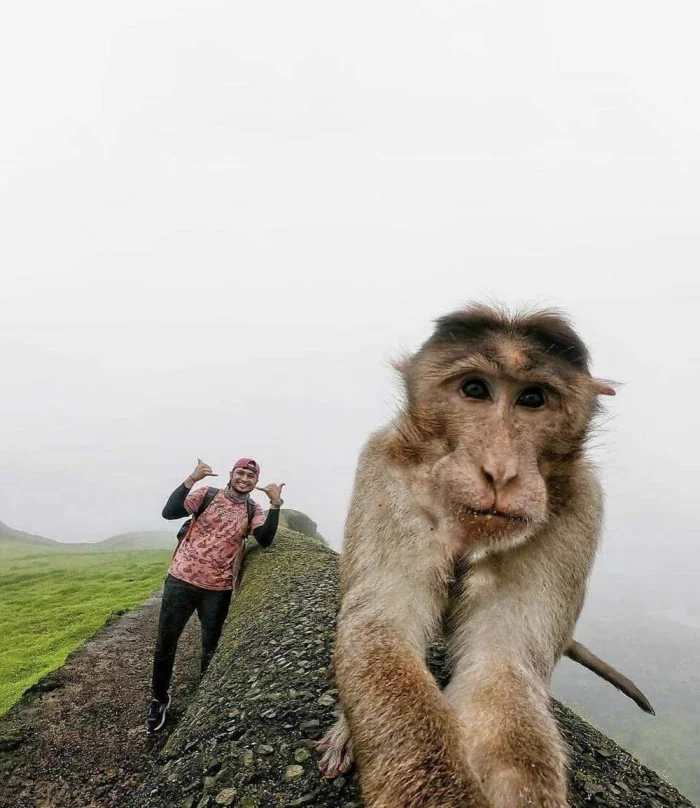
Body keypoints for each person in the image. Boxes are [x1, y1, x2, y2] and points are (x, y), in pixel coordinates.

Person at [146, 457, 284, 732]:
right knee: (166, 644)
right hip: (180, 580)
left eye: (251, 476)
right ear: (231, 474)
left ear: (256, 482)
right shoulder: (206, 495)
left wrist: (276, 504)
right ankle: (159, 699)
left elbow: (265, 539)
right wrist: (192, 478)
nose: (244, 479)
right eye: (241, 473)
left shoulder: (253, 510)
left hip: (218, 589)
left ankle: (203, 700)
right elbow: (170, 512)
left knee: (211, 647)